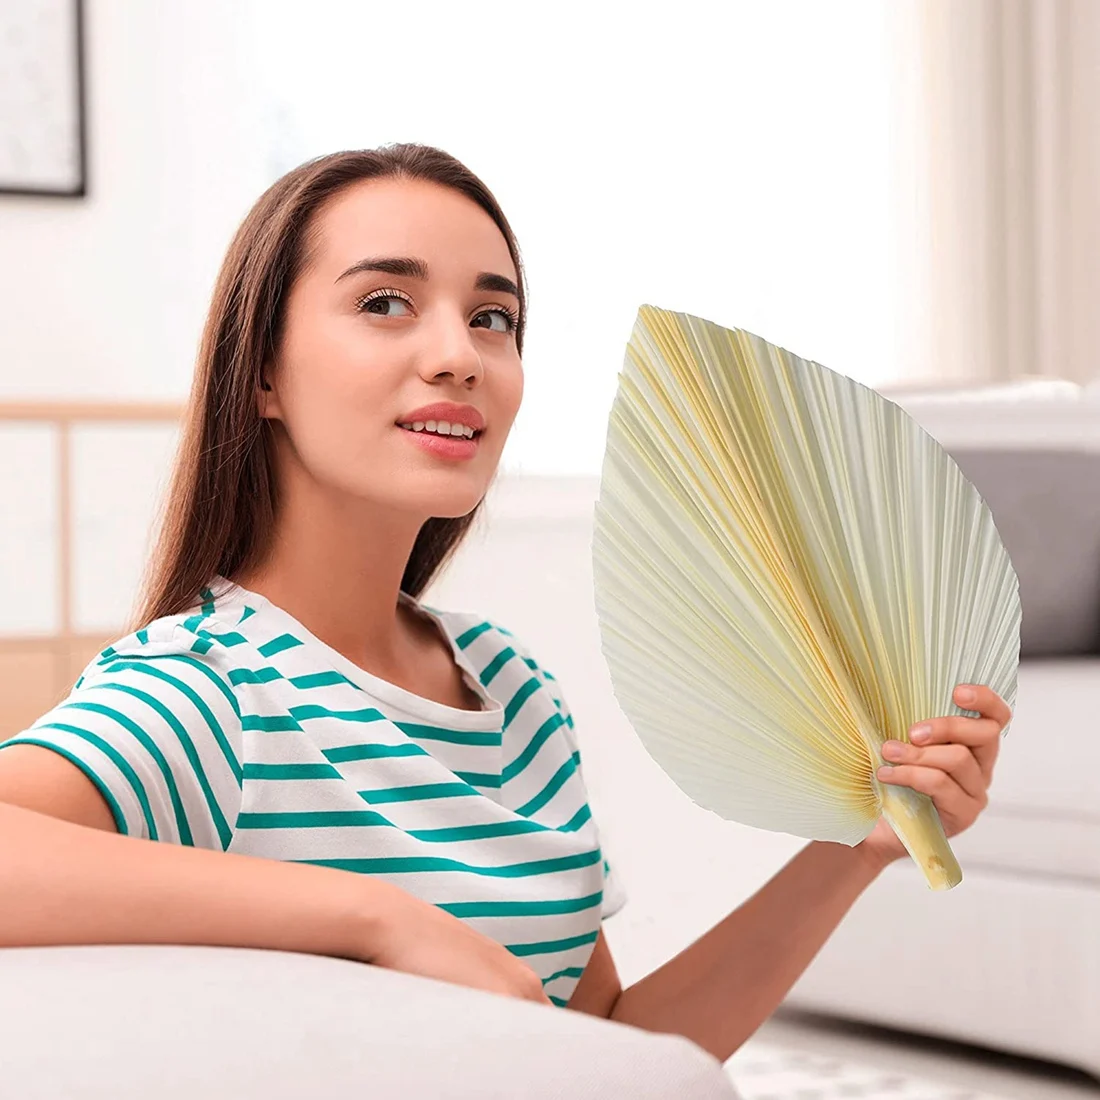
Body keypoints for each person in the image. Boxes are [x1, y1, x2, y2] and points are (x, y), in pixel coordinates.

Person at [0, 144, 1013, 1062]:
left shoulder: (511, 690)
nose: (460, 354)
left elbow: (605, 1051)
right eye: (385, 303)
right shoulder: (215, 687)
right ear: (261, 371)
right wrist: (375, 917)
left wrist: (853, 850)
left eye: (493, 318)